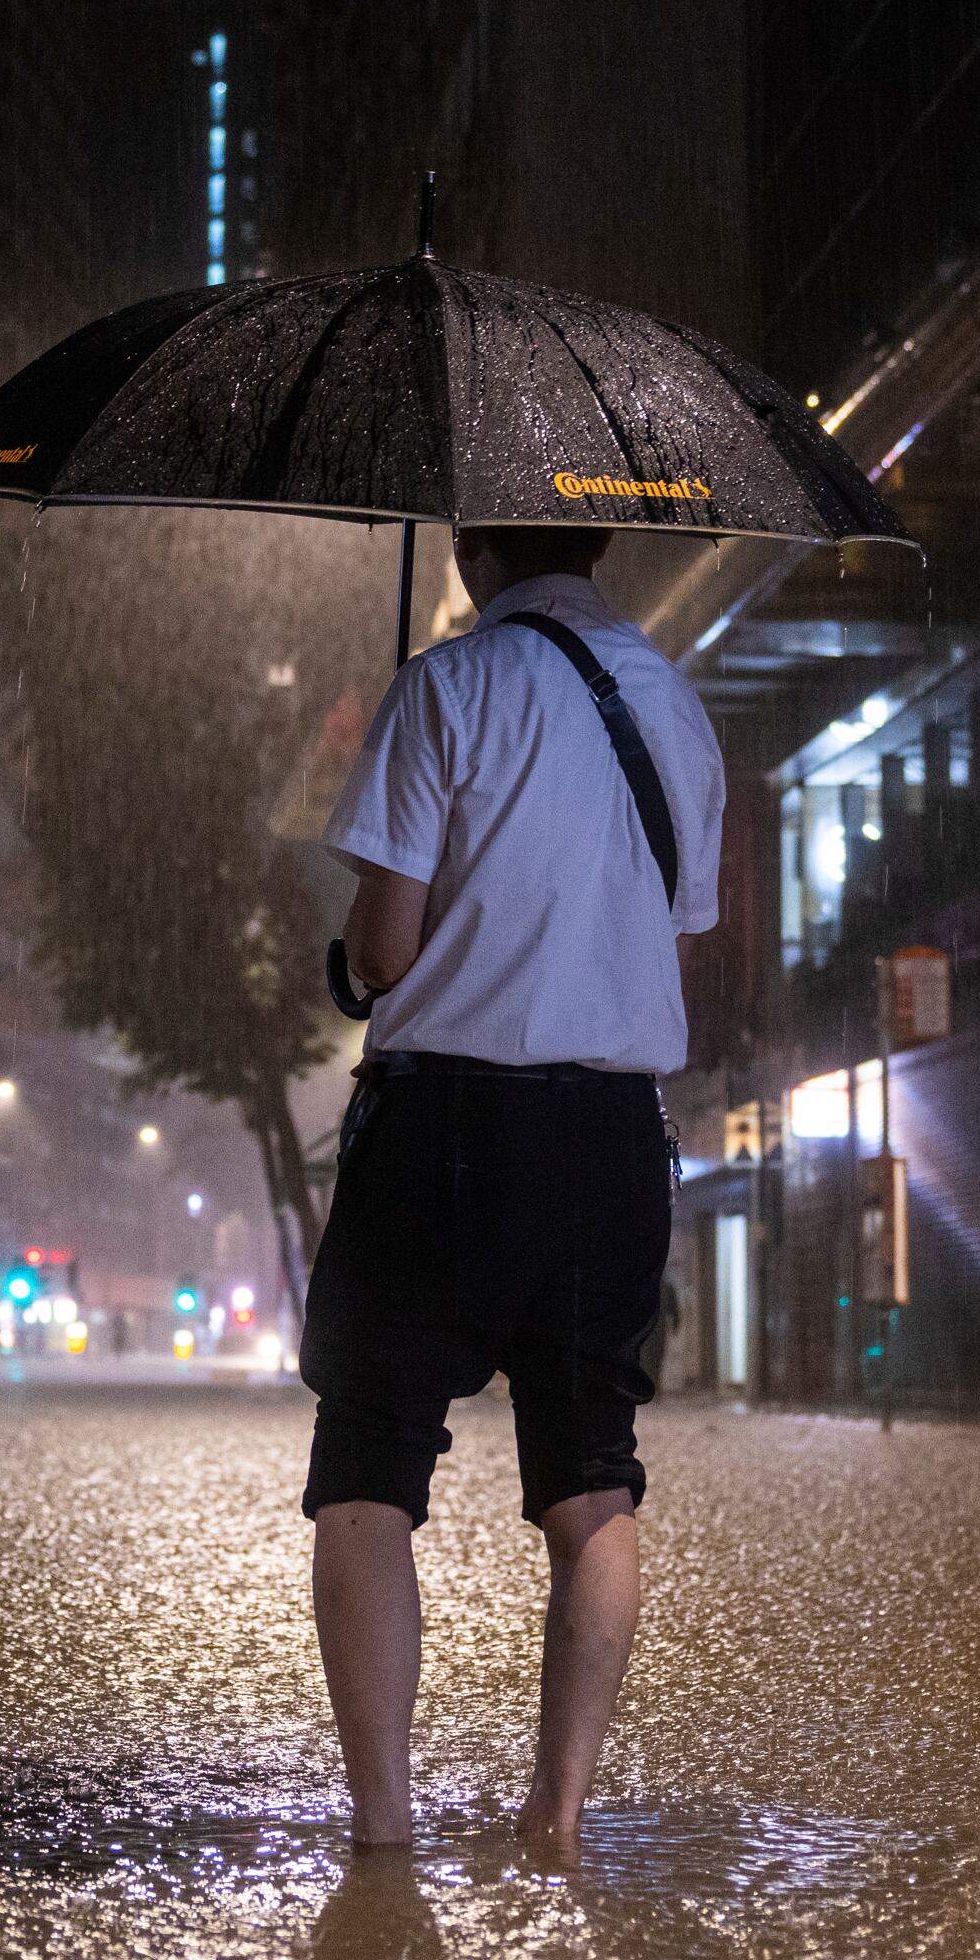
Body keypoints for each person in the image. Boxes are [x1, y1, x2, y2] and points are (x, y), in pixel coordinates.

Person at [303, 521, 724, 1855]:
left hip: (443, 1129)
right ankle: (558, 1812)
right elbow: (666, 928)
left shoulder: (444, 688)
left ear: (473, 542)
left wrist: (358, 961)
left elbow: (384, 946)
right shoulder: (673, 703)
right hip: (612, 1139)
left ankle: (383, 1828)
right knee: (591, 1481)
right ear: (596, 535)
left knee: (369, 1471)